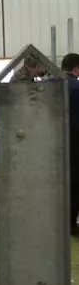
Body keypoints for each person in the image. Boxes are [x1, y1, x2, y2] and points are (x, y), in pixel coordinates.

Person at [61, 53, 79, 235]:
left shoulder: (51, 85)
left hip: (55, 139)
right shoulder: (77, 87)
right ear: (75, 69)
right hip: (75, 141)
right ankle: (72, 223)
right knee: (75, 182)